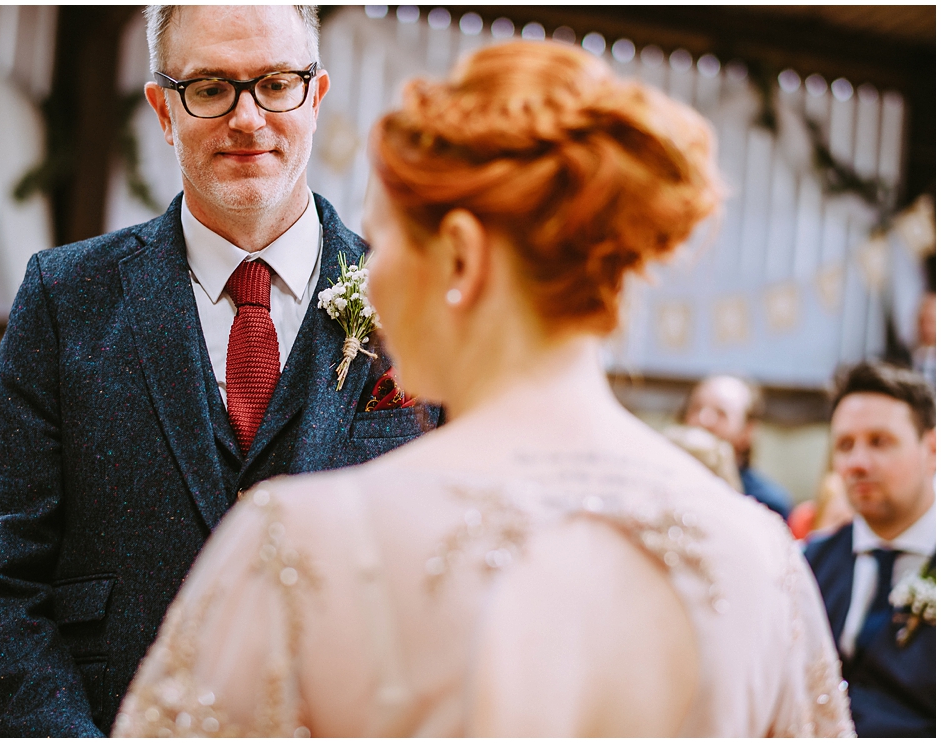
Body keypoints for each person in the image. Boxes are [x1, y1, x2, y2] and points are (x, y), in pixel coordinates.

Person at [114, 40, 853, 737]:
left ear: (461, 256)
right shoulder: (760, 558)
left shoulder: (299, 544)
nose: (368, 276)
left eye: (384, 240)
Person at [0, 6, 437, 737]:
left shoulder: (417, 304)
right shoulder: (65, 297)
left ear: (316, 96)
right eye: (209, 87)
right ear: (163, 108)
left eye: (276, 83)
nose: (246, 119)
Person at [805, 361, 935, 737]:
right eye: (845, 445)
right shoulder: (811, 562)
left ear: (931, 448)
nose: (857, 464)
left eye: (880, 442)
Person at [683, 374, 794, 520]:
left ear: (747, 431)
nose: (703, 420)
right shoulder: (666, 481)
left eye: (721, 413)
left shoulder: (768, 503)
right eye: (696, 408)